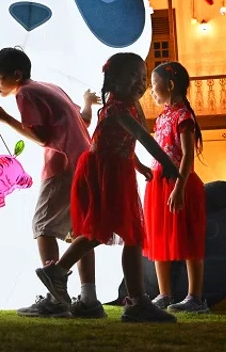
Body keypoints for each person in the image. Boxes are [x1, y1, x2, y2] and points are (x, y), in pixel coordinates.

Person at [34, 52, 182, 323]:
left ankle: (135, 300)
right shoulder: (116, 108)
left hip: (117, 170)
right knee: (103, 230)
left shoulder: (127, 106)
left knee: (129, 234)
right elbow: (141, 135)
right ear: (114, 80)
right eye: (133, 76)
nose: (140, 83)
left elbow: (123, 140)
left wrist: (137, 164)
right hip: (104, 173)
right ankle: (60, 272)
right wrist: (166, 163)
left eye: (143, 78)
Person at [0, 47, 104, 318]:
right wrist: (87, 102)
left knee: (43, 225)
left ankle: (56, 300)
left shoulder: (25, 93)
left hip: (62, 163)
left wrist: (5, 118)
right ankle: (89, 299)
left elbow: (43, 137)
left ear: (17, 74)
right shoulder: (51, 87)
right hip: (84, 162)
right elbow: (83, 120)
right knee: (79, 231)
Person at [143, 62, 209, 313]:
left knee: (188, 238)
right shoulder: (162, 117)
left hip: (179, 183)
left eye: (154, 84)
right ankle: (164, 293)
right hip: (158, 183)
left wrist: (179, 187)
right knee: (159, 236)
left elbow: (187, 155)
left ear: (170, 85)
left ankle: (195, 297)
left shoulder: (184, 116)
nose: (151, 90)